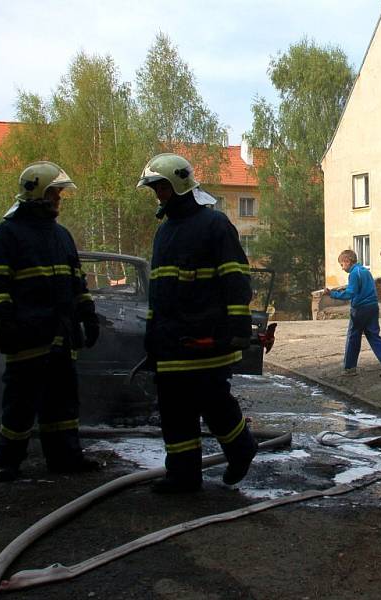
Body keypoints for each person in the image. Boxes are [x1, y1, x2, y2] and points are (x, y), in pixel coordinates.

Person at [137, 153, 258, 493]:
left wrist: (237, 329)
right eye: (154, 189)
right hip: (170, 341)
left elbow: (236, 279)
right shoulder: (165, 233)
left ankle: (241, 449)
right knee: (174, 412)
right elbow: (158, 293)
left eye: (161, 188)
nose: (158, 195)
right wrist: (152, 338)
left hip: (204, 339)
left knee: (214, 404)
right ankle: (183, 476)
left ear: (178, 185)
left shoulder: (214, 225)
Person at [0, 161, 100, 482]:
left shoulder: (61, 236)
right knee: (20, 402)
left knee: (62, 401)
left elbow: (77, 282)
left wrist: (88, 314)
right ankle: (8, 462)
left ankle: (65, 457)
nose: (59, 199)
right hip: (26, 335)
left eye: (60, 193)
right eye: (55, 193)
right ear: (37, 193)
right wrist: (5, 322)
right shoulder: (7, 235)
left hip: (61, 334)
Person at [324, 250, 381, 377]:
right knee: (373, 334)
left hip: (360, 308)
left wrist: (332, 294)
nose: (342, 269)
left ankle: (349, 367)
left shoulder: (354, 273)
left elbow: (350, 293)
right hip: (372, 306)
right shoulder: (364, 271)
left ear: (347, 262)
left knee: (353, 337)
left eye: (342, 265)